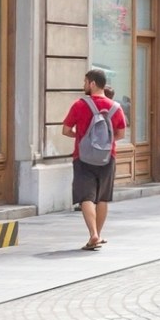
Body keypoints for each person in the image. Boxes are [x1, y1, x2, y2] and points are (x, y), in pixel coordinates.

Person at [62, 68, 126, 251]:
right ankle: (99, 232)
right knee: (103, 197)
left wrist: (83, 138)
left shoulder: (79, 105)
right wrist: (104, 142)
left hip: (82, 157)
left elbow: (65, 130)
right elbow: (121, 133)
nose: (83, 85)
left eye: (85, 82)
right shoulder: (115, 107)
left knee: (86, 197)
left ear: (92, 83)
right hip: (107, 157)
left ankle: (93, 234)